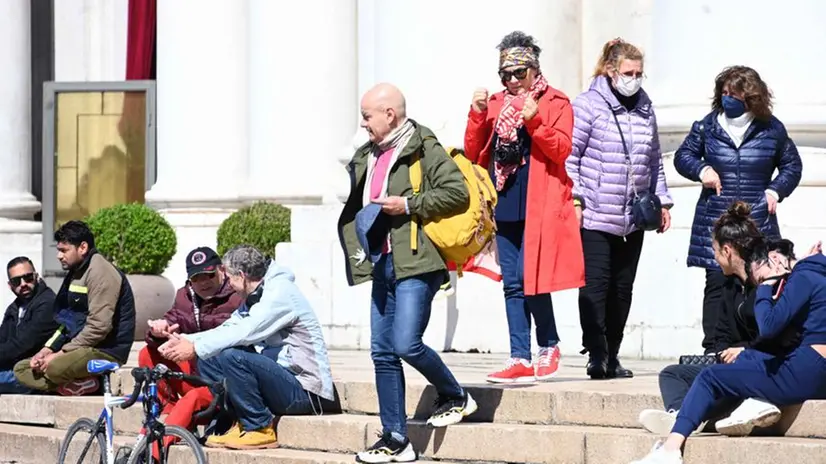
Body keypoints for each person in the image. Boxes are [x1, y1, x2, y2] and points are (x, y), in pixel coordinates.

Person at [338, 82, 476, 463]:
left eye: (367, 116)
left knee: (405, 344)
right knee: (382, 353)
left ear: (389, 115)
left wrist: (409, 204)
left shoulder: (423, 147)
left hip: (418, 262)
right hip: (382, 263)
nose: (363, 123)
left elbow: (457, 193)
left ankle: (455, 393)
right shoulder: (369, 153)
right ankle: (396, 439)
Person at [629, 203, 826, 464]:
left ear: (777, 259)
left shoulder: (802, 278)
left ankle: (670, 450)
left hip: (807, 368)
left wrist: (766, 286)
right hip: (813, 367)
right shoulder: (814, 274)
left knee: (710, 377)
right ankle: (717, 409)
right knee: (740, 361)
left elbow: (769, 326)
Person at [464, 31, 584, 384]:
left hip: (539, 201)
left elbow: (562, 150)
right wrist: (476, 114)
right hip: (504, 201)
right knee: (512, 283)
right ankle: (519, 355)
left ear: (534, 69)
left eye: (520, 72)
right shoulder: (497, 102)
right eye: (506, 74)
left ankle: (549, 345)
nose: (513, 81)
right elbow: (473, 153)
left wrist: (534, 121)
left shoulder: (556, 102)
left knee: (533, 280)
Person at [673, 65, 803, 353]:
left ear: (752, 98)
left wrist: (775, 190)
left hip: (757, 221)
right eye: (725, 93)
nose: (728, 98)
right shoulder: (708, 126)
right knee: (717, 284)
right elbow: (683, 156)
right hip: (716, 218)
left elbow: (792, 166)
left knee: (759, 282)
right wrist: (702, 169)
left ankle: (757, 346)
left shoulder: (771, 128)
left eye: (735, 94)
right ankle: (713, 349)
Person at [566, 38, 673, 379]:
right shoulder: (587, 105)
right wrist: (577, 198)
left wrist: (663, 200)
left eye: (640, 73)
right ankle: (595, 353)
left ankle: (613, 353)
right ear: (611, 72)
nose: (635, 78)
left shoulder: (646, 108)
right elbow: (571, 157)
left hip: (634, 216)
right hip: (597, 214)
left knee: (622, 290)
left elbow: (654, 158)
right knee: (595, 288)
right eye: (629, 72)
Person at [158, 245, 334, 451]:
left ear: (241, 276)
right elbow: (229, 327)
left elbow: (246, 331)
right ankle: (239, 421)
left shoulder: (280, 293)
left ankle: (259, 428)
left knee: (233, 355)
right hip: (281, 384)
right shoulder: (255, 295)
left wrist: (195, 346)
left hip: (307, 393)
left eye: (230, 278)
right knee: (209, 358)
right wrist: (184, 339)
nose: (229, 284)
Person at [638, 232, 804, 436]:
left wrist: (745, 350)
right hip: (734, 359)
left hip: (760, 361)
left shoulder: (779, 288)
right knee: (673, 373)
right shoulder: (729, 285)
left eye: (715, 251)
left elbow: (777, 335)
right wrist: (720, 352)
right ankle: (680, 412)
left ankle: (689, 417)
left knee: (731, 376)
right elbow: (720, 333)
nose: (714, 259)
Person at [136, 246, 241, 456]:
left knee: (192, 399)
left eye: (209, 275)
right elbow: (172, 319)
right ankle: (168, 407)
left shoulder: (238, 295)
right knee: (147, 353)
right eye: (196, 277)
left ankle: (153, 455)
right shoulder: (184, 296)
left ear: (222, 270)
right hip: (194, 372)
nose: (203, 282)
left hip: (220, 380)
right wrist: (159, 330)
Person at [14, 220, 135, 395]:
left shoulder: (101, 272)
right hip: (79, 347)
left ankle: (96, 383)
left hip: (105, 350)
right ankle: (78, 385)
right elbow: (67, 321)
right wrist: (46, 350)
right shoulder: (76, 271)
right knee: (21, 369)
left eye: (64, 250)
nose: (59, 256)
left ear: (83, 247)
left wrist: (60, 354)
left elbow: (99, 328)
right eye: (58, 250)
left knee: (54, 367)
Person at [0, 257, 57, 393]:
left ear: (36, 276)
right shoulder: (14, 307)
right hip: (14, 367)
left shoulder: (48, 303)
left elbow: (23, 344)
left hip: (34, 372)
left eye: (28, 278)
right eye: (16, 281)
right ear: (10, 285)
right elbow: (2, 338)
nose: (23, 284)